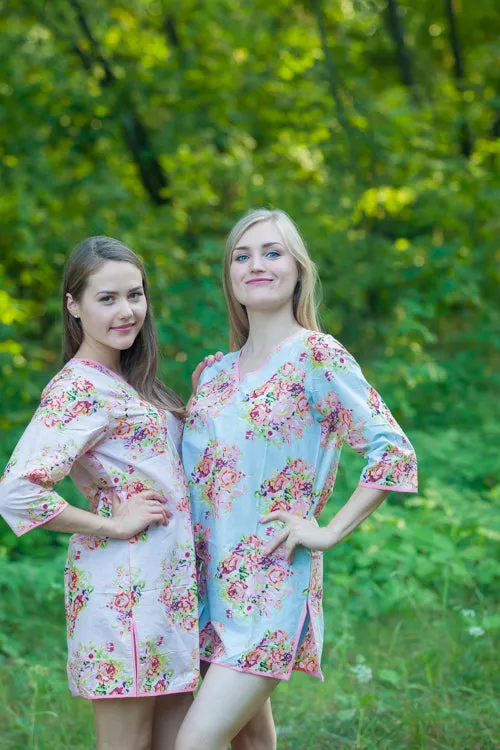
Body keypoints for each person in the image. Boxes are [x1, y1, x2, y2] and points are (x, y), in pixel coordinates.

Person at [178, 208, 418, 750]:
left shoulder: (317, 355)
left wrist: (329, 531)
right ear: (230, 276)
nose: (255, 264)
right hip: (204, 589)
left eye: (271, 252)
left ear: (298, 269)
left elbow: (392, 450)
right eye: (242, 255)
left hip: (268, 587)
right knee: (252, 744)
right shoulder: (214, 373)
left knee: (192, 744)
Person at [0, 237, 199, 750]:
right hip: (123, 596)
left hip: (166, 593)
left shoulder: (128, 383)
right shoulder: (77, 388)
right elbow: (18, 492)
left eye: (135, 295)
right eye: (106, 299)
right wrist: (112, 523)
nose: (127, 311)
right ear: (74, 305)